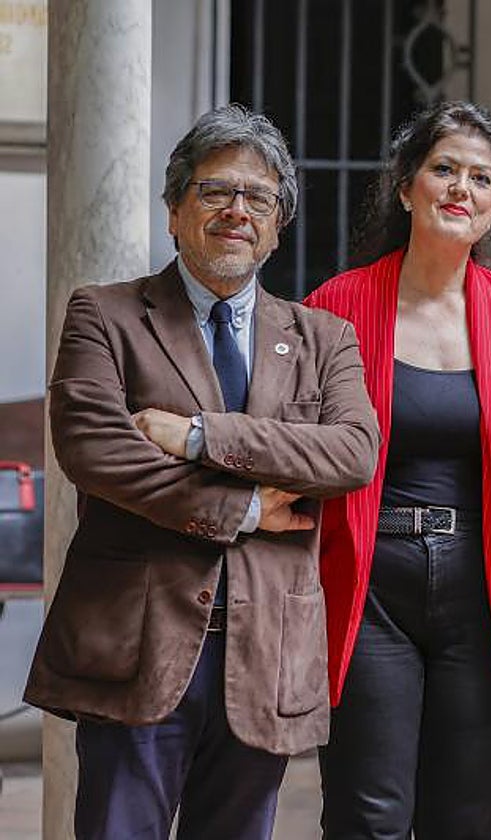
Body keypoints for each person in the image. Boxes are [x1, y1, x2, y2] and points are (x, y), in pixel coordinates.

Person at [24, 105, 380, 839]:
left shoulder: (324, 337)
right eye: (216, 191)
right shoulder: (106, 316)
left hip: (266, 651)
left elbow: (352, 453)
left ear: (279, 224)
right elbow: (97, 452)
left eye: (259, 197)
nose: (237, 211)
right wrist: (246, 510)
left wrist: (197, 436)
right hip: (136, 645)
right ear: (174, 211)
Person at [305, 100, 491, 838]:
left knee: (468, 816)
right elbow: (313, 443)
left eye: (481, 178)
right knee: (368, 814)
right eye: (443, 169)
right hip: (369, 579)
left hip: (485, 583)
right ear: (407, 185)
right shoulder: (337, 305)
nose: (461, 188)